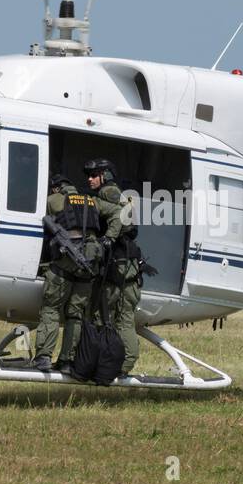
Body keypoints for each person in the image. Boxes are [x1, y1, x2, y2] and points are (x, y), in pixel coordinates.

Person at [32, 172, 123, 373]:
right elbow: (119, 214)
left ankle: (44, 357)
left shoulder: (54, 199)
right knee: (75, 314)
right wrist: (109, 238)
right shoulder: (92, 200)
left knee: (51, 309)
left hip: (64, 261)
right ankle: (66, 361)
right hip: (88, 262)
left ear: (56, 188)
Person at [84, 158, 142, 377]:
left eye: (93, 175)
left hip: (119, 266)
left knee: (107, 315)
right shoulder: (118, 193)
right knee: (123, 317)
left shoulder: (108, 193)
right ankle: (123, 363)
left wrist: (106, 239)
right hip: (128, 266)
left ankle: (115, 363)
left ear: (105, 175)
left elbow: (120, 219)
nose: (89, 179)